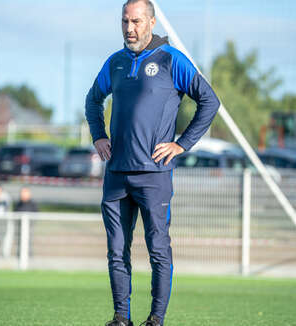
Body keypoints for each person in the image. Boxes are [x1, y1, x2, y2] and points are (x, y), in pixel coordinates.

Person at [85, 1, 220, 325]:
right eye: (124, 21)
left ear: (151, 22)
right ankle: (121, 317)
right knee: (117, 251)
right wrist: (98, 136)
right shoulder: (115, 62)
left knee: (158, 250)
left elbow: (209, 101)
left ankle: (156, 319)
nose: (129, 28)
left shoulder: (171, 60)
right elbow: (93, 99)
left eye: (136, 21)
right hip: (116, 173)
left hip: (154, 175)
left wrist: (181, 144)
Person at [14, 187, 38, 257]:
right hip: (19, 228)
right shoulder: (18, 204)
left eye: (25, 193)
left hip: (29, 229)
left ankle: (29, 259)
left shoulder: (33, 204)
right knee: (19, 244)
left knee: (28, 244)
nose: (23, 195)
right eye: (22, 193)